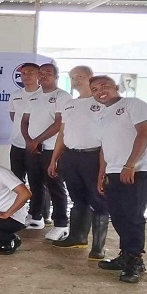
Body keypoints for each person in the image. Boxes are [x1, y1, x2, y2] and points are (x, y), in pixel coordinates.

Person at [90, 75, 147, 284]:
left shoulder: (132, 104)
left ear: (116, 87)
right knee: (118, 216)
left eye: (104, 86)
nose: (100, 91)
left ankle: (135, 260)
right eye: (94, 89)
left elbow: (144, 134)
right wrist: (101, 174)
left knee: (132, 216)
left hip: (136, 170)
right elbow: (105, 147)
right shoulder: (102, 114)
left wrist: (130, 165)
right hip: (113, 171)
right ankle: (125, 255)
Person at [47, 65, 110, 260]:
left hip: (94, 156)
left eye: (80, 76)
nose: (76, 80)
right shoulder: (69, 104)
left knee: (98, 200)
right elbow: (62, 133)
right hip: (70, 157)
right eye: (72, 77)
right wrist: (54, 159)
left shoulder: (103, 103)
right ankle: (77, 237)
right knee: (78, 199)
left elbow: (110, 134)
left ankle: (98, 248)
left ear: (91, 77)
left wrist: (105, 165)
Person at [21, 62, 71, 240]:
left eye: (48, 73)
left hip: (52, 149)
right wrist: (29, 141)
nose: (43, 76)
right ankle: (35, 217)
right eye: (41, 73)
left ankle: (61, 224)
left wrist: (36, 141)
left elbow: (59, 124)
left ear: (56, 76)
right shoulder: (34, 97)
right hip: (33, 149)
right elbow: (24, 121)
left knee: (55, 186)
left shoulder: (62, 96)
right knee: (35, 184)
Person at [8, 62, 51, 228]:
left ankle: (37, 214)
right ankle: (18, 213)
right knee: (16, 180)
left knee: (36, 181)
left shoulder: (44, 95)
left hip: (36, 145)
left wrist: (33, 139)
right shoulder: (16, 95)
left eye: (30, 72)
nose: (26, 76)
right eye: (23, 73)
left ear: (38, 75)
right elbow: (14, 116)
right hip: (17, 144)